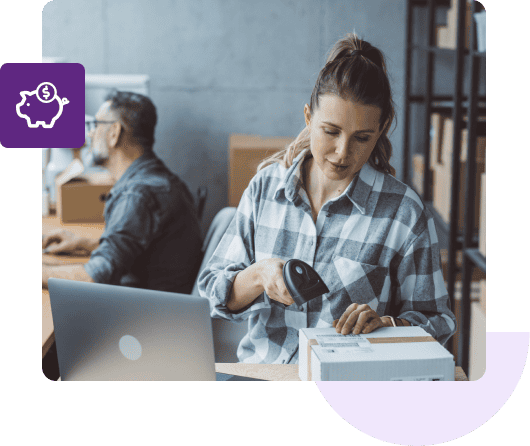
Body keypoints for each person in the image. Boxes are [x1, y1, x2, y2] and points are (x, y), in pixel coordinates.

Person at [198, 33, 456, 364]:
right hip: (263, 380)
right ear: (308, 117)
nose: (342, 152)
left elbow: (438, 323)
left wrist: (388, 325)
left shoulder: (402, 213)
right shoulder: (265, 189)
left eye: (362, 138)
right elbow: (212, 295)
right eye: (330, 132)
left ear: (382, 129)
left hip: (347, 392)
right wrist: (258, 275)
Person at [42, 91, 202, 293]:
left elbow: (94, 277)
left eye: (95, 125)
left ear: (114, 133)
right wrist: (85, 243)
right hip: (158, 304)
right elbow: (145, 250)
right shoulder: (159, 179)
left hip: (144, 314)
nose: (90, 134)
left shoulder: (138, 195)